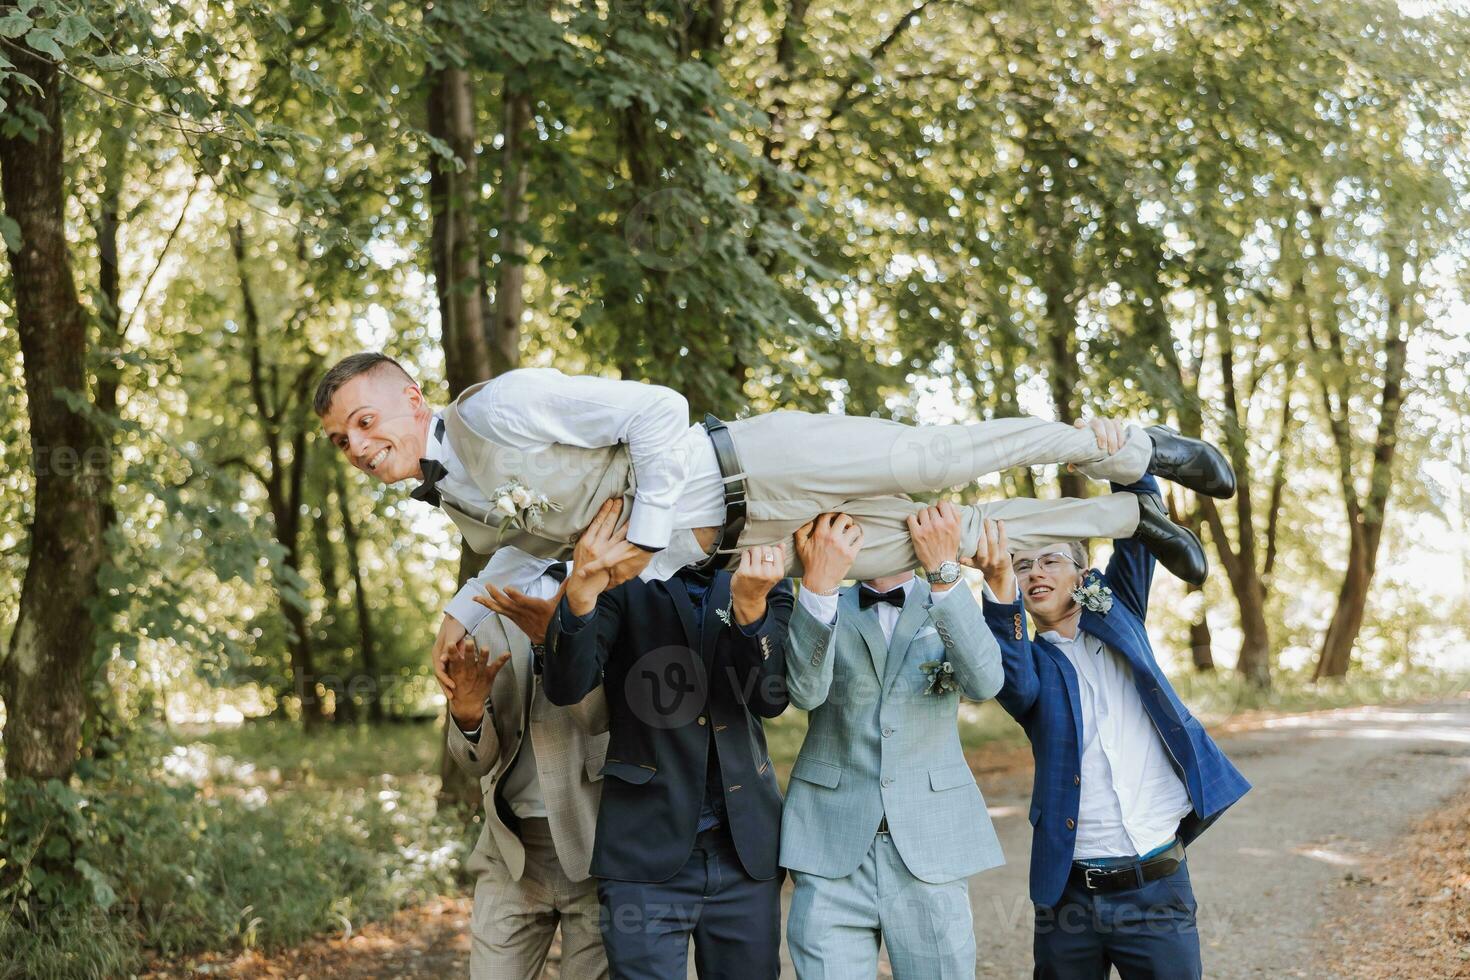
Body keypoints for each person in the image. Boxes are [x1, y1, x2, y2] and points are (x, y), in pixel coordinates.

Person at [312, 354, 1231, 681]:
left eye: (366, 420)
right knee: (946, 531)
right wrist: (461, 617)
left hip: (756, 460)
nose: (359, 444)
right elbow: (506, 558)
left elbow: (658, 412)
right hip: (758, 545)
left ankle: (1127, 451)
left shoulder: (501, 407)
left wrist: (636, 535)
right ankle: (1124, 515)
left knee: (931, 460)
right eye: (344, 441)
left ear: (411, 395)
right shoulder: (465, 512)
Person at [971, 426, 1251, 979]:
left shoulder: (1119, 615)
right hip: (1068, 897)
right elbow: (1015, 683)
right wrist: (998, 582)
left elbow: (1139, 526)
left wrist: (1120, 449)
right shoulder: (1028, 664)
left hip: (1156, 890)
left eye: (1050, 560)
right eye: (1023, 566)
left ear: (1082, 573)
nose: (1035, 573)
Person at [540, 499, 792, 979]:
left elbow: (770, 699)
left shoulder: (767, 572)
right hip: (642, 852)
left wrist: (752, 610)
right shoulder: (623, 573)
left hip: (744, 854)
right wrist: (578, 598)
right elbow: (566, 688)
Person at [781, 504, 1006, 979]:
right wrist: (818, 589)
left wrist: (945, 574)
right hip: (831, 844)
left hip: (930, 844)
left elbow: (985, 681)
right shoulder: (821, 602)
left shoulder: (945, 596)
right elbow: (804, 692)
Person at [434, 555, 610, 979]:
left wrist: (555, 645)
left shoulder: (617, 591)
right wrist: (469, 715)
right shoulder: (479, 606)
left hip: (597, 850)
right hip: (509, 855)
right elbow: (477, 761)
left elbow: (607, 720)